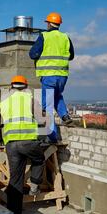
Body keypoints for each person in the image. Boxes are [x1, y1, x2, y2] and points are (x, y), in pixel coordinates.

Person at [0, 75, 45, 214]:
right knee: (39, 159)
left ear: (11, 87)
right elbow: (42, 121)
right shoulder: (31, 100)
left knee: (15, 180)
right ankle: (34, 186)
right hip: (28, 142)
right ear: (26, 87)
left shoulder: (4, 102)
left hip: (11, 145)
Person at [29, 12, 76, 143]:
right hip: (62, 76)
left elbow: (33, 54)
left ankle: (52, 136)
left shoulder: (44, 36)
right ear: (59, 24)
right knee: (57, 96)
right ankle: (65, 116)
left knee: (47, 106)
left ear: (49, 24)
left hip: (48, 75)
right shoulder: (65, 37)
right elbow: (71, 56)